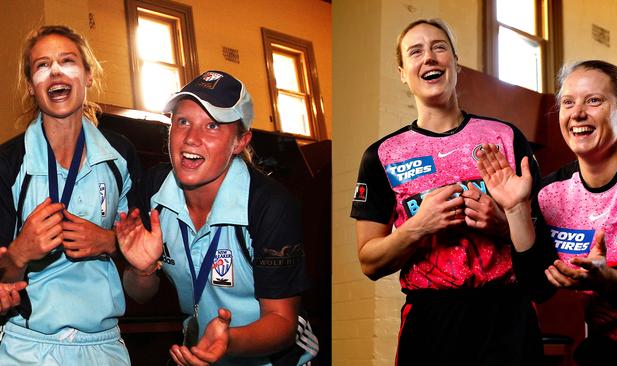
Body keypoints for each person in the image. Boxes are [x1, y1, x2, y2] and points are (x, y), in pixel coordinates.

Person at [350, 18, 543, 365]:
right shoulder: (381, 155)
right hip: (432, 321)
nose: (429, 58)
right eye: (416, 51)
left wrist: (502, 223)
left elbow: (544, 242)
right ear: (402, 72)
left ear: (455, 61)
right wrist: (419, 225)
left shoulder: (507, 138)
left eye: (439, 47)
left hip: (507, 314)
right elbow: (369, 261)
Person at [116, 70, 317, 366]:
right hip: (200, 354)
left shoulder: (268, 205)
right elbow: (141, 295)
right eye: (182, 121)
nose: (191, 138)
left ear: (239, 141)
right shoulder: (154, 190)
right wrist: (143, 271)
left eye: (212, 125)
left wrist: (228, 340)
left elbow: (282, 323)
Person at [477, 60, 617, 365]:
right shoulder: (551, 192)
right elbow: (537, 287)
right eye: (568, 102)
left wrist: (607, 279)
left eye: (594, 100)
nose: (577, 113)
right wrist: (516, 209)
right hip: (609, 348)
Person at [0, 25, 139, 365]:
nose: (56, 71)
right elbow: (4, 282)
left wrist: (111, 242)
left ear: (89, 75)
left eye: (67, 61)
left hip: (105, 345)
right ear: (32, 86)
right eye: (42, 65)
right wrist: (19, 255)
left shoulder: (120, 155)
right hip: (25, 346)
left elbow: (143, 282)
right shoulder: (8, 162)